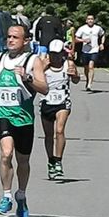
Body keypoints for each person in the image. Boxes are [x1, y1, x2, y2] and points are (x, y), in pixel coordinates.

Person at [0, 25, 47, 217]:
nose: (10, 40)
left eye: (15, 37)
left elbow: (44, 88)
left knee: (23, 161)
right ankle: (6, 196)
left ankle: (21, 195)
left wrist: (27, 77)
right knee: (6, 154)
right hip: (2, 112)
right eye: (9, 36)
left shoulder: (32, 61)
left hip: (23, 118)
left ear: (25, 41)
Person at [38, 39, 80, 179]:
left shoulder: (68, 64)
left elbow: (76, 80)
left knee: (59, 130)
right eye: (52, 54)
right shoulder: (43, 64)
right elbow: (33, 79)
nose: (55, 57)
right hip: (46, 101)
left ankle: (58, 160)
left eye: (57, 54)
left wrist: (74, 74)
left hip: (63, 102)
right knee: (48, 135)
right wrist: (42, 69)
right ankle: (50, 160)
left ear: (62, 53)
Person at [75, 14, 105, 91]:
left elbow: (103, 34)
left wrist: (102, 44)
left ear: (94, 20)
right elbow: (75, 39)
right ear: (86, 20)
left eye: (92, 19)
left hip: (94, 50)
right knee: (86, 67)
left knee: (91, 66)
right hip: (85, 50)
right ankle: (88, 79)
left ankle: (89, 84)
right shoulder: (82, 28)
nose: (90, 20)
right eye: (89, 19)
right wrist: (84, 40)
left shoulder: (98, 28)